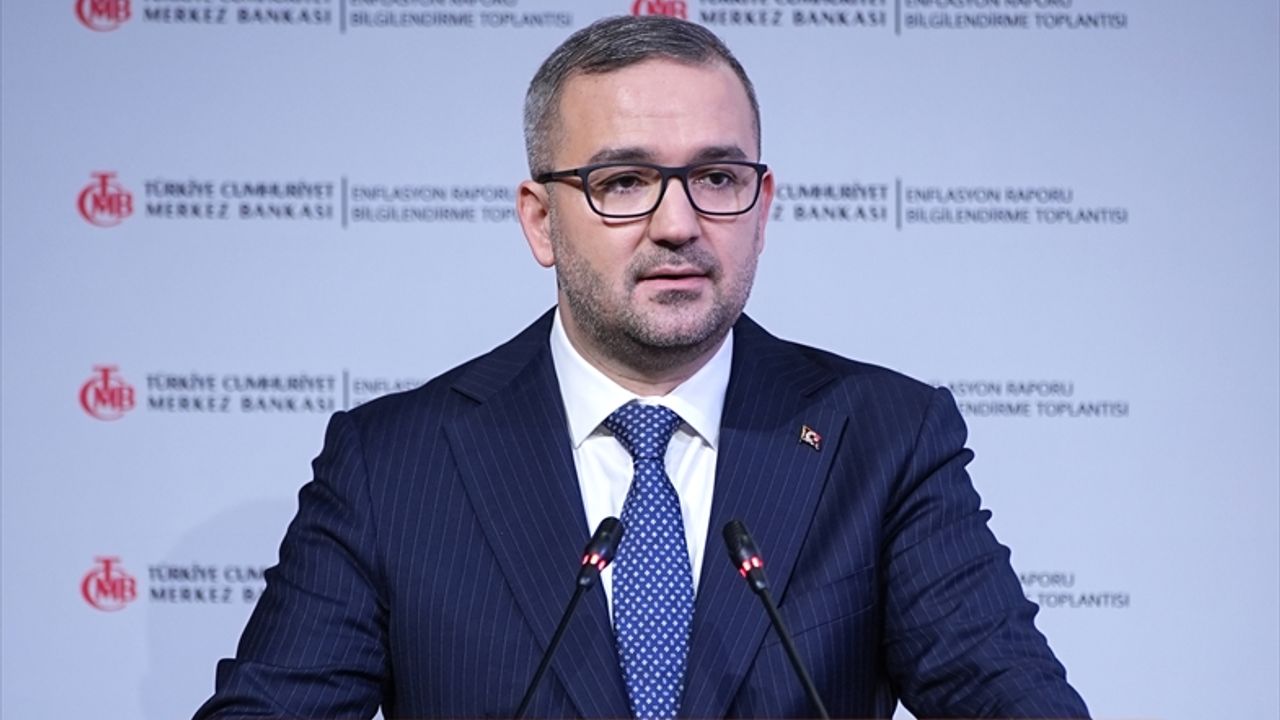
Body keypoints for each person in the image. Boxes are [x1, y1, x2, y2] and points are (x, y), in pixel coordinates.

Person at [195, 15, 1088, 720]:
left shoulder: (884, 439)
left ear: (762, 205)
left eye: (718, 178)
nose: (678, 224)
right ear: (541, 220)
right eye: (623, 182)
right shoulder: (394, 464)